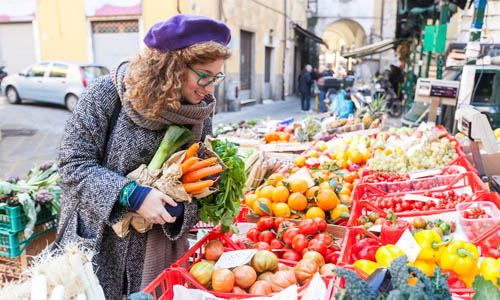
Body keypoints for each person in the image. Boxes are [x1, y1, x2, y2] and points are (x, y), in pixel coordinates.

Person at [56, 14, 231, 300]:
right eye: (204, 76)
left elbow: (197, 190)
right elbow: (72, 166)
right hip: (97, 249)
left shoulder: (200, 114)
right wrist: (131, 196)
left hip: (155, 255)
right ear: (171, 68)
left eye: (217, 77)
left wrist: (176, 213)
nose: (211, 88)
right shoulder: (106, 94)